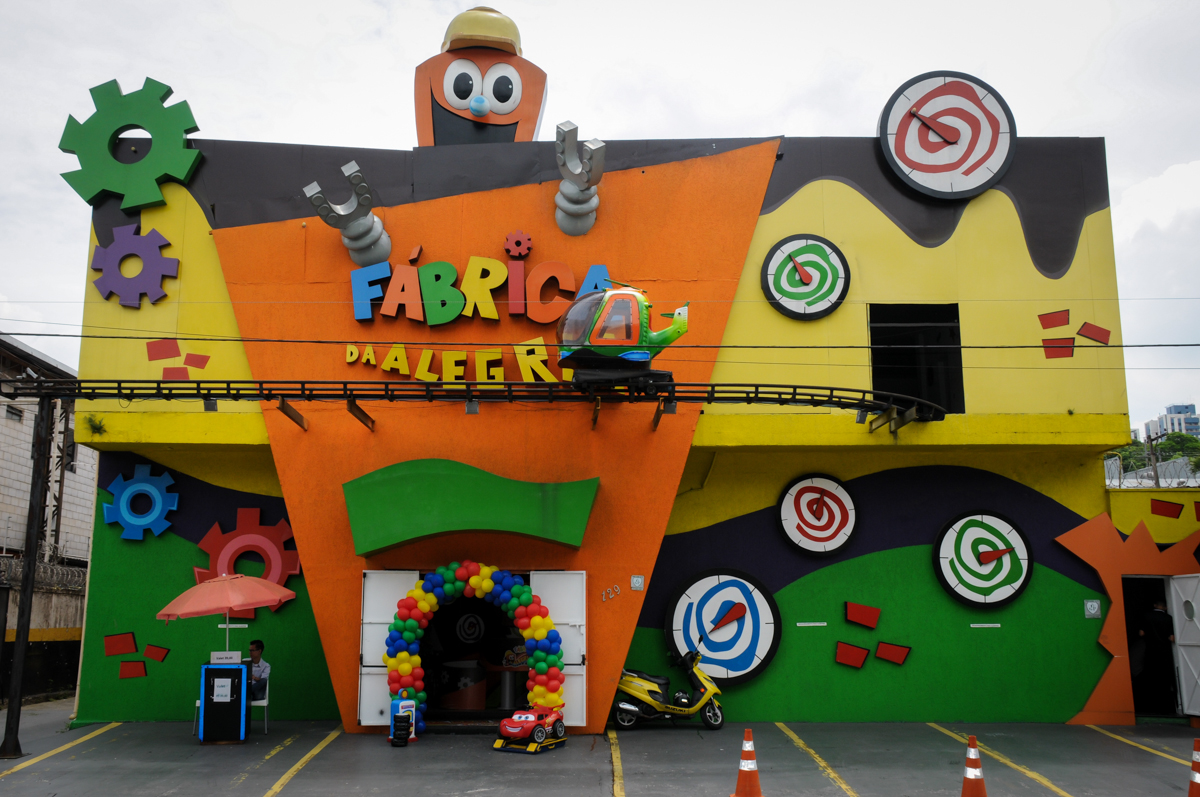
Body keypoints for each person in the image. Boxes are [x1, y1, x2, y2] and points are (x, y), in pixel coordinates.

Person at [1138, 600, 1176, 714]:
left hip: (1150, 650)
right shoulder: (1168, 618)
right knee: (1164, 677)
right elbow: (1172, 638)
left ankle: (1151, 704)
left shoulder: (1146, 616)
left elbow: (1141, 633)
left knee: (1151, 676)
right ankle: (1166, 704)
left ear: (1154, 605)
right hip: (1164, 651)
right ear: (1165, 607)